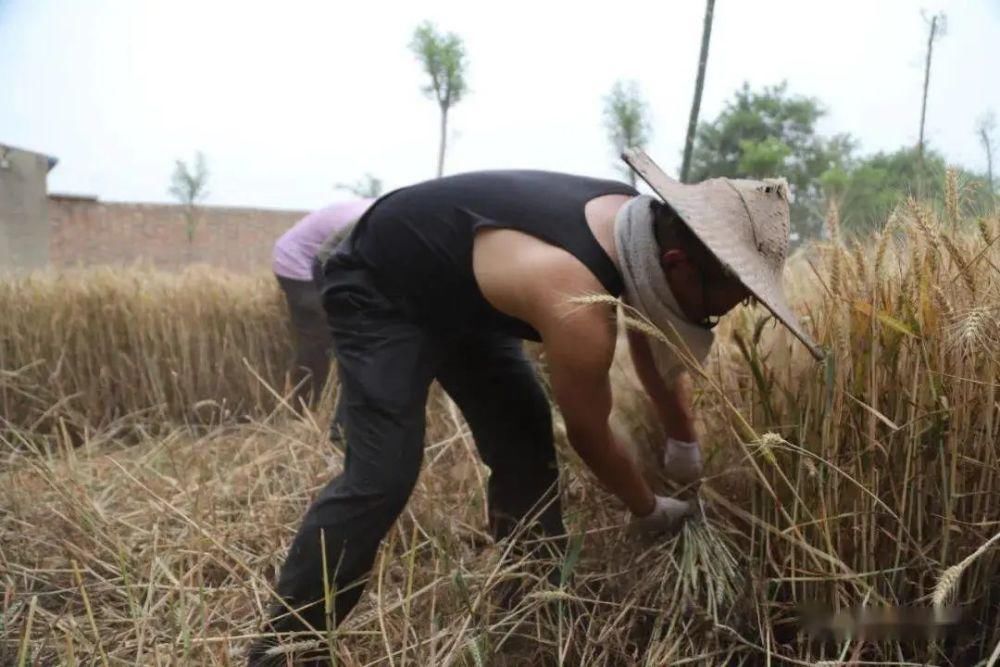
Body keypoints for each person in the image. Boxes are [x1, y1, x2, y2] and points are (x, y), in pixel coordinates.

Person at [249, 149, 822, 660]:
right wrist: (647, 509)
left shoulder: (645, 231)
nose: (722, 318)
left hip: (466, 298)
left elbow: (656, 341)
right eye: (722, 306)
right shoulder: (575, 298)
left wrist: (683, 440)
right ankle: (287, 646)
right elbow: (589, 434)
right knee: (384, 471)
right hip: (379, 283)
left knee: (525, 445)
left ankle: (530, 610)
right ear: (678, 266)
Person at [272, 199, 375, 409]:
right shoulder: (367, 225)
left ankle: (338, 403)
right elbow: (345, 265)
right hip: (297, 263)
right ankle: (305, 407)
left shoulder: (390, 218)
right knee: (320, 335)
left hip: (326, 260)